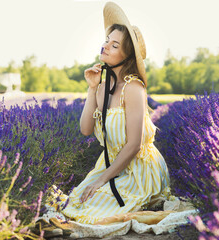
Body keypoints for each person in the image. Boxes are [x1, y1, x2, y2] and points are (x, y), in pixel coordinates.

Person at [39, 2, 174, 236]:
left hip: (140, 168)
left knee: (100, 204)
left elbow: (134, 145)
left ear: (127, 55)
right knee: (76, 200)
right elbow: (85, 129)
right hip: (111, 164)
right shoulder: (102, 87)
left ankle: (71, 229)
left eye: (115, 45)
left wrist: (101, 180)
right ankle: (64, 225)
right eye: (106, 40)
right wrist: (92, 88)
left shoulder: (133, 88)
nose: (106, 46)